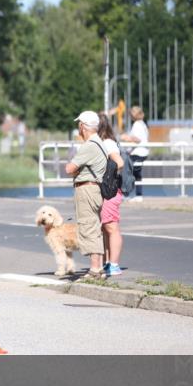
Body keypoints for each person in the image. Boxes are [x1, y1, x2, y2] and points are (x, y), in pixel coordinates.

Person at [64, 111, 108, 277]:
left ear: (82, 126)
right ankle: (98, 268)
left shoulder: (89, 146)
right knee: (94, 227)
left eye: (79, 124)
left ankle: (95, 270)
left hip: (87, 189)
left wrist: (75, 169)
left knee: (88, 227)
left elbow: (69, 168)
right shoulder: (100, 143)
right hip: (94, 189)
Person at [97, 112, 126, 277]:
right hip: (108, 191)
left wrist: (106, 175)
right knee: (105, 227)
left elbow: (119, 163)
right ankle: (108, 262)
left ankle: (114, 264)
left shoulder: (107, 143)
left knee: (111, 227)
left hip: (110, 191)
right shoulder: (104, 142)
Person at [119, 105, 149, 202]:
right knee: (136, 174)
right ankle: (138, 195)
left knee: (127, 173)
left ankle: (126, 194)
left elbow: (137, 139)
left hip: (137, 153)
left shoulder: (136, 124)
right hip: (143, 152)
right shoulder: (143, 124)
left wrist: (125, 137)